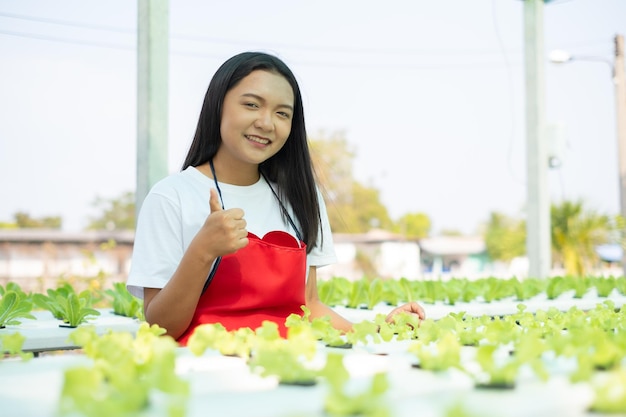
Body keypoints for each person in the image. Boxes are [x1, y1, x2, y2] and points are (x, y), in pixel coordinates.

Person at [126, 51, 425, 345]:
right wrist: (202, 251)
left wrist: (379, 332)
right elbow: (161, 329)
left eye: (282, 113)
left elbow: (309, 307)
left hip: (286, 371)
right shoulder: (171, 197)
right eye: (252, 105)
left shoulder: (301, 198)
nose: (267, 123)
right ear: (217, 106)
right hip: (206, 377)